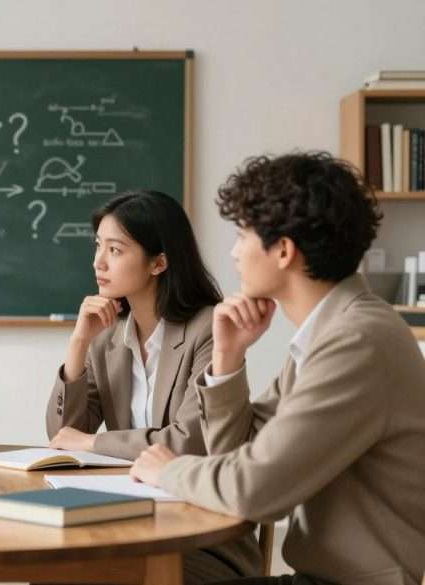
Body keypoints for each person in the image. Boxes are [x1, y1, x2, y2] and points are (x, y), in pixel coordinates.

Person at [130, 152, 425, 585]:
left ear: (283, 250)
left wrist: (167, 470)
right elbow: (238, 455)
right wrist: (228, 359)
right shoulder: (332, 332)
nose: (233, 252)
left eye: (242, 234)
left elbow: (252, 490)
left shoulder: (356, 342)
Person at [45, 190, 260, 583]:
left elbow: (189, 441)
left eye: (115, 250)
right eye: (98, 247)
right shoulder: (106, 336)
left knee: (78, 572)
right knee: (46, 567)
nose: (98, 262)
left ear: (159, 262)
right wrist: (78, 344)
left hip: (198, 531)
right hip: (124, 516)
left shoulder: (208, 328)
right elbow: (64, 434)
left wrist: (93, 444)